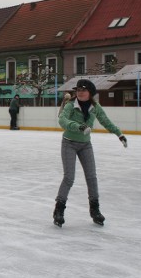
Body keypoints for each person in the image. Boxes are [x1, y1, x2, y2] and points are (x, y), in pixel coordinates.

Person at [54, 79, 127, 228]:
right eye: (78, 90)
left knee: (92, 177)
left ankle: (95, 210)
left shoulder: (95, 107)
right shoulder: (70, 105)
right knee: (69, 178)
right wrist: (78, 126)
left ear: (90, 93)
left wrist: (119, 134)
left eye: (83, 90)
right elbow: (62, 120)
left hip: (86, 145)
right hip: (69, 143)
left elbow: (106, 121)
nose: (80, 92)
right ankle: (59, 210)